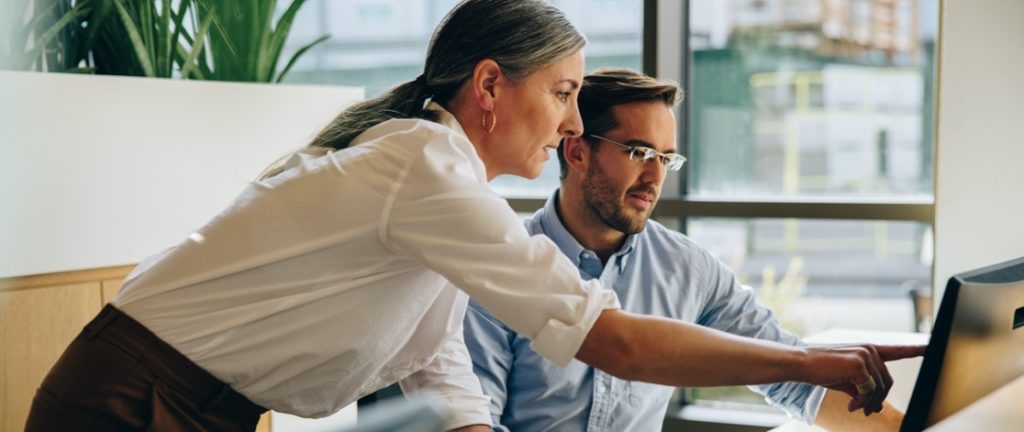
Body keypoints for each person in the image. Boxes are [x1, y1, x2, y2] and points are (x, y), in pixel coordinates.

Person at [25, 1, 920, 431]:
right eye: (565, 94)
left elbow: (434, 357)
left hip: (196, 404)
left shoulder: (439, 189)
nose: (574, 123)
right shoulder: (421, 165)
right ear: (490, 86)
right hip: (133, 398)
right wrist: (811, 359)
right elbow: (610, 340)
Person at [463, 68, 909, 432]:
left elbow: (797, 383)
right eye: (639, 152)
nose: (656, 178)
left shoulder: (687, 268)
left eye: (666, 158)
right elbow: (474, 420)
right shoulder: (500, 269)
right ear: (577, 153)